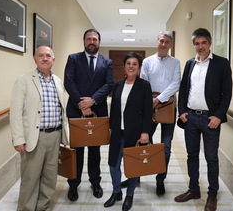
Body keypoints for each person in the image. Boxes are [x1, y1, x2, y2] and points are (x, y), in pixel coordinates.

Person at [175, 28, 232, 211]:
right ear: (194, 45)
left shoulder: (221, 64)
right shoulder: (190, 64)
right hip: (191, 118)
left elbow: (227, 92)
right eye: (197, 43)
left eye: (203, 43)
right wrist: (182, 111)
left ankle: (212, 194)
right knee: (191, 155)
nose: (200, 47)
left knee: (211, 158)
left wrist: (219, 115)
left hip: (210, 120)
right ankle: (193, 189)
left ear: (210, 43)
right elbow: (183, 90)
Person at [10, 46, 69, 211]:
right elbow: (15, 112)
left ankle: (42, 206)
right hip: (35, 137)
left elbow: (62, 110)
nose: (45, 58)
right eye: (41, 55)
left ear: (53, 60)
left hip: (55, 135)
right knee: (30, 178)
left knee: (50, 178)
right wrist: (18, 138)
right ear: (35, 59)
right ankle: (27, 208)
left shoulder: (58, 81)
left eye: (48, 56)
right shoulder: (24, 80)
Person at [121, 31, 180, 196]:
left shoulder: (175, 62)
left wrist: (159, 99)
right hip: (148, 108)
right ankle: (136, 177)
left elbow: (176, 83)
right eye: (161, 41)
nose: (163, 44)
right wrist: (151, 101)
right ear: (157, 42)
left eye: (167, 42)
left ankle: (160, 179)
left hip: (168, 108)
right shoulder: (147, 62)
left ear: (170, 45)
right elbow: (144, 82)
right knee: (143, 142)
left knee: (165, 148)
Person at [64, 29, 114, 202]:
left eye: (95, 39)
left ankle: (95, 182)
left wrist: (92, 101)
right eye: (88, 39)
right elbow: (68, 82)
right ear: (84, 41)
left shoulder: (106, 62)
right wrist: (81, 103)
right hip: (76, 112)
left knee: (95, 150)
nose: (91, 41)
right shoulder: (73, 58)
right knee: (76, 150)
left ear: (99, 42)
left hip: (97, 111)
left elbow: (109, 84)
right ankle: (73, 184)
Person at [104, 52, 153, 211]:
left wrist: (145, 132)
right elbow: (114, 109)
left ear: (139, 68)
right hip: (118, 132)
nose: (131, 66)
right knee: (113, 164)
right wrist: (111, 128)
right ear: (124, 67)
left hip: (136, 133)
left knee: (133, 166)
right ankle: (116, 191)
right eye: (128, 63)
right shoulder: (117, 84)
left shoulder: (144, 85)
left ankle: (129, 194)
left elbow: (147, 110)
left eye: (134, 64)